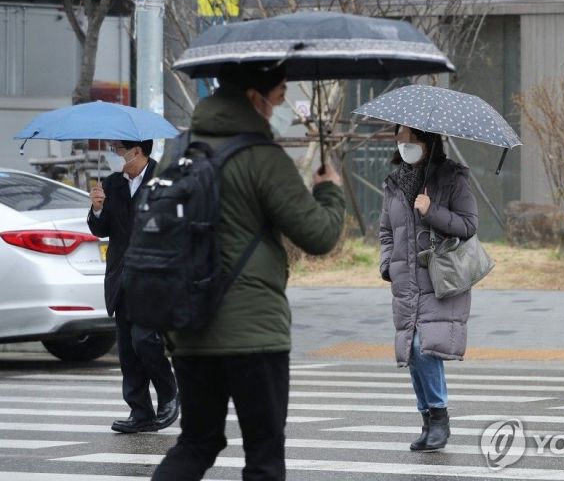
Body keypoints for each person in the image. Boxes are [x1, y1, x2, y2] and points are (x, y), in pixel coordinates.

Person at [150, 62, 345, 481]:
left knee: (196, 443)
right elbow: (319, 235)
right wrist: (330, 191)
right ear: (254, 98)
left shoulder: (179, 148)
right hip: (254, 333)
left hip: (188, 324)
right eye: (277, 98)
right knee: (264, 455)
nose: (278, 108)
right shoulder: (261, 156)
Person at [379, 125, 478, 452]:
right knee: (411, 350)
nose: (405, 143)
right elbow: (385, 231)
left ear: (428, 140)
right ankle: (427, 420)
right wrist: (386, 264)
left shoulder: (453, 179)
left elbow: (468, 225)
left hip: (439, 278)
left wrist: (431, 211)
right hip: (405, 281)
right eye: (400, 137)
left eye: (412, 138)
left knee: (423, 346)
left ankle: (439, 417)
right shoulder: (394, 184)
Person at [88, 140, 179, 434]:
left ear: (137, 151)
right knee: (127, 350)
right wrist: (98, 209)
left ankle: (169, 395)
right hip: (121, 277)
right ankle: (140, 411)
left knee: (145, 340)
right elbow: (102, 230)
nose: (116, 154)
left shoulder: (164, 181)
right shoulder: (113, 184)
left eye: (119, 149)